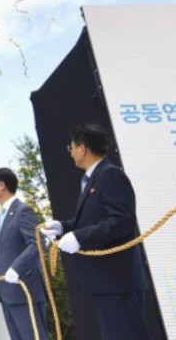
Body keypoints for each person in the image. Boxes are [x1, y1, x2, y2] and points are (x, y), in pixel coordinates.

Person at [42, 124, 150, 340]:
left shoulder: (110, 175)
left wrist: (80, 238)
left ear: (82, 148)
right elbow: (90, 220)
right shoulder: (92, 179)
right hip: (104, 281)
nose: (70, 153)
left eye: (71, 148)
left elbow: (122, 222)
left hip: (117, 281)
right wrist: (63, 227)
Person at [0, 167, 48, 340]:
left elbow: (38, 243)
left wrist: (17, 268)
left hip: (24, 290)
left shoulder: (23, 211)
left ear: (1, 185)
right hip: (7, 293)